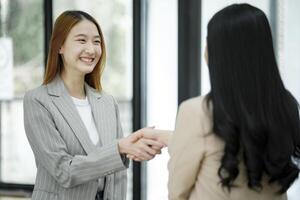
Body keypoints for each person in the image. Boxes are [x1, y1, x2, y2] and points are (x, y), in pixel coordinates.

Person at [23, 10, 166, 200]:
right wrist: (120, 148)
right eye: (82, 40)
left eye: (96, 42)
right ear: (60, 46)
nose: (91, 49)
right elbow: (64, 171)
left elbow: (117, 175)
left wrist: (132, 149)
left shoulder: (107, 102)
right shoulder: (38, 100)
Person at [168, 3, 300, 200]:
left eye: (208, 43)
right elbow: (242, 134)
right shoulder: (286, 107)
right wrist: (174, 137)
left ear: (218, 54)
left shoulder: (197, 111)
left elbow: (177, 192)